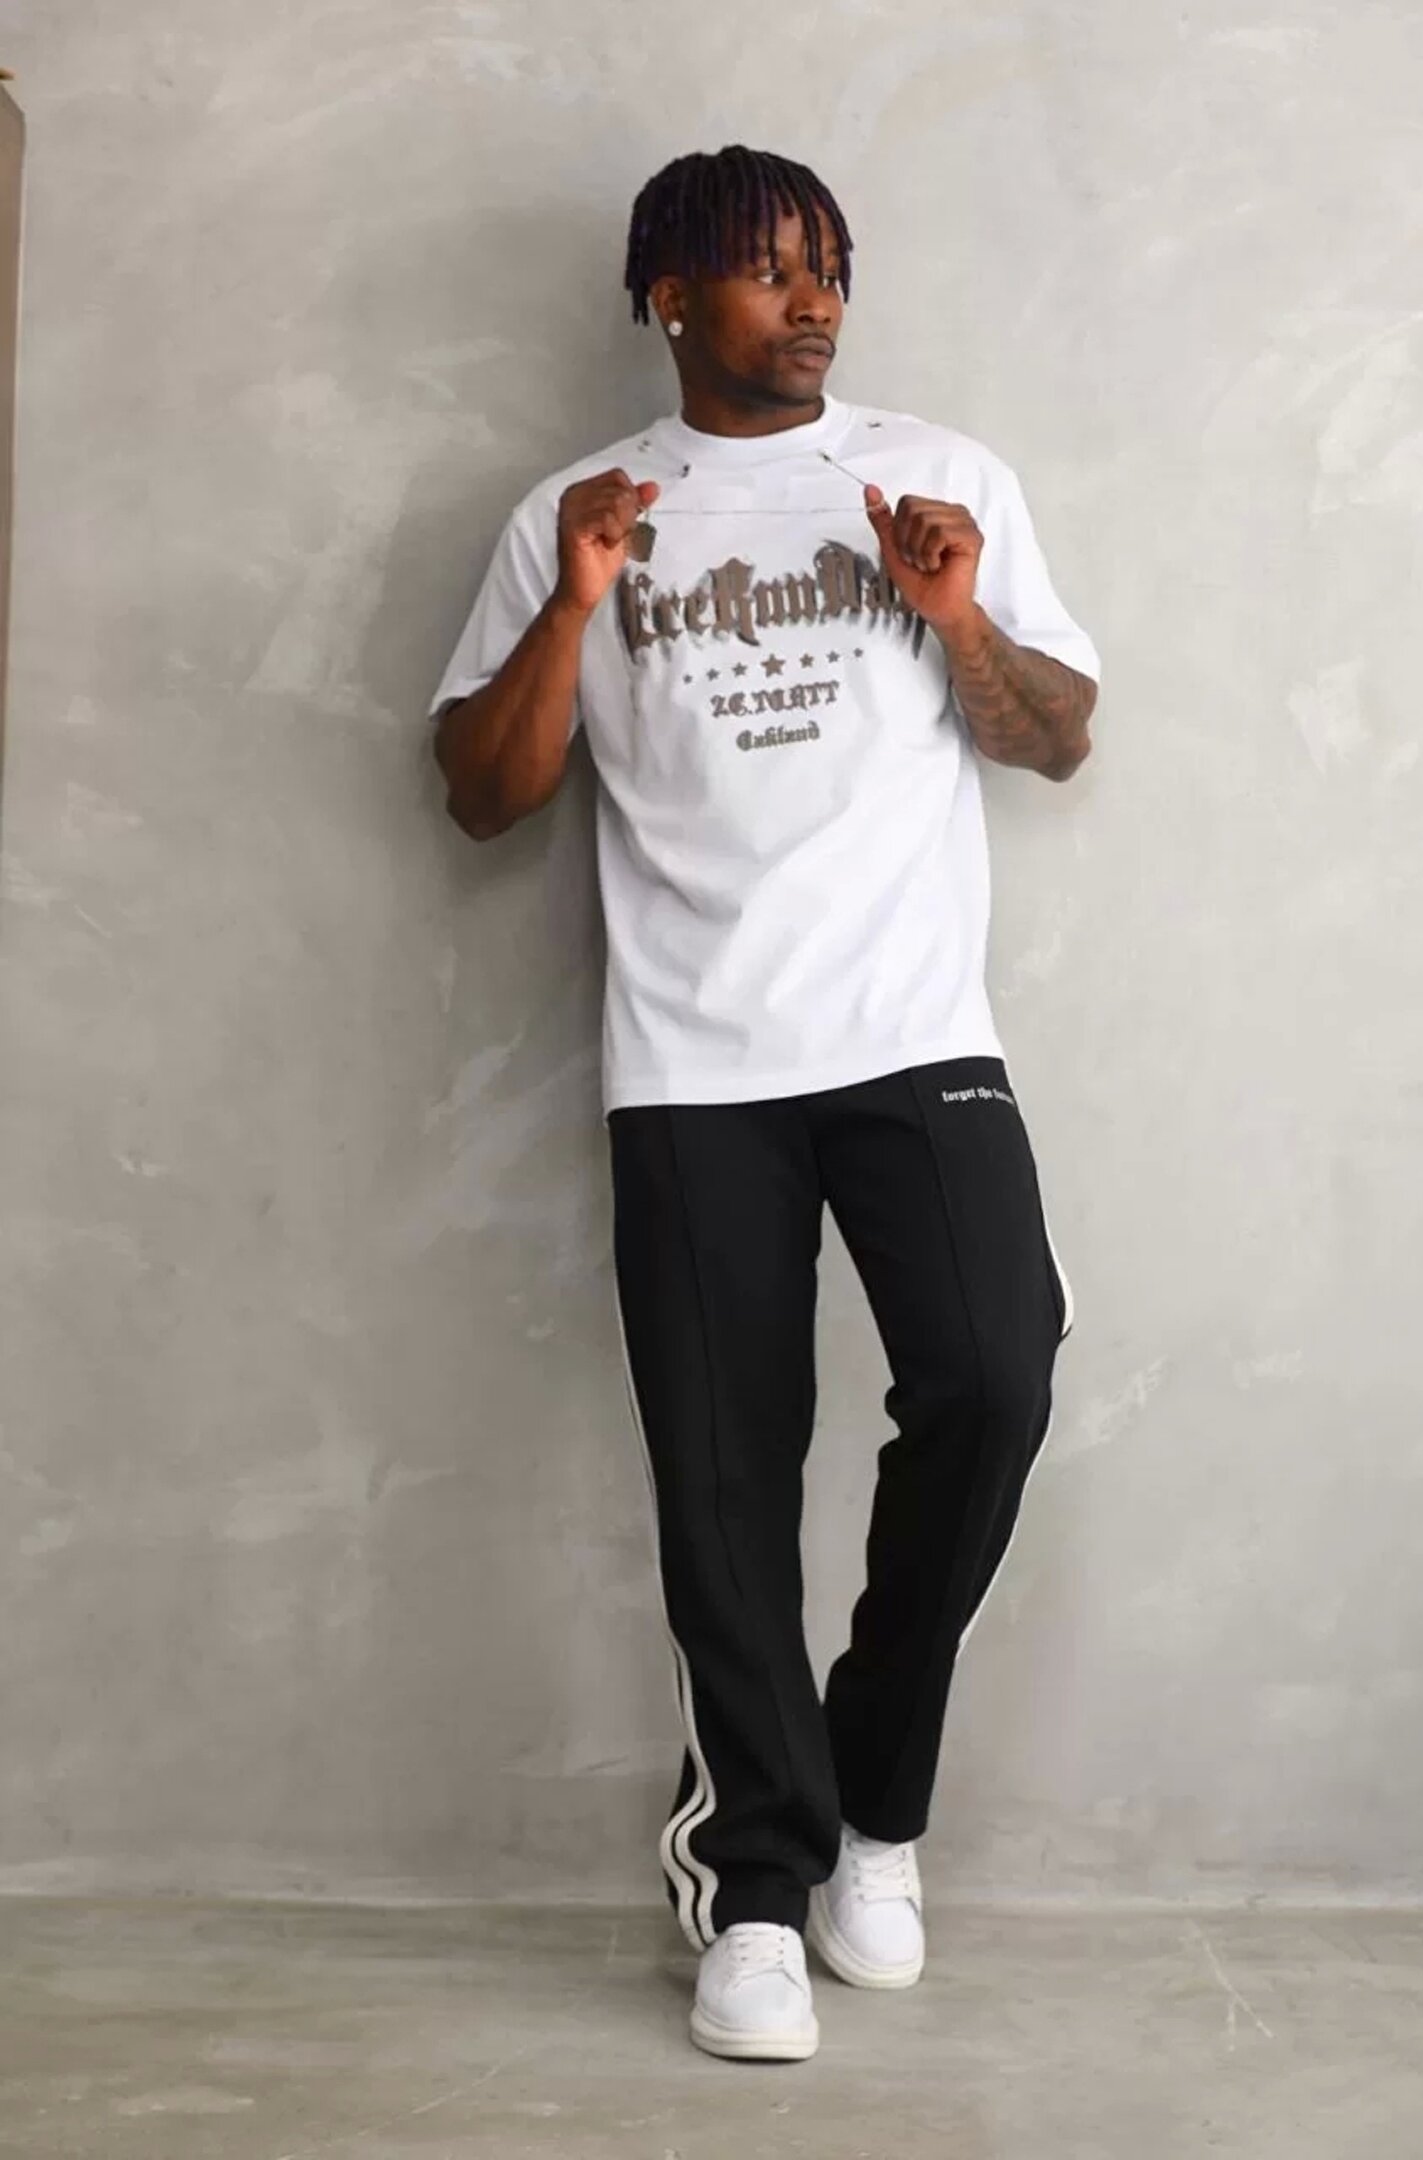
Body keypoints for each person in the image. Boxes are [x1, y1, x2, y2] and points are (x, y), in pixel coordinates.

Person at [429, 143, 1100, 2064]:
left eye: (829, 268)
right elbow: (483, 793)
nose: (813, 303)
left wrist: (957, 620)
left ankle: (875, 1807)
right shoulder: (576, 510)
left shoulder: (943, 475)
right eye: (767, 270)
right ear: (670, 295)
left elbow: (1059, 738)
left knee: (994, 1380)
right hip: (693, 1062)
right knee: (725, 1482)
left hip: (912, 1035)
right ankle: (752, 1890)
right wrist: (577, 604)